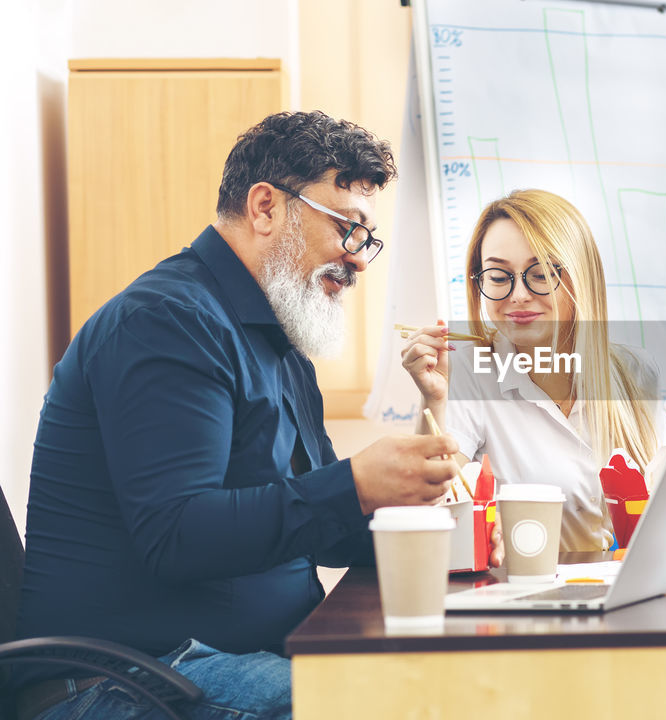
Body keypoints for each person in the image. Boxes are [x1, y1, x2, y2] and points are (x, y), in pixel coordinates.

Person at [12, 111, 481, 720]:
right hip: (125, 679)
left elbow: (328, 527)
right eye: (348, 228)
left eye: (366, 238)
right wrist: (356, 484)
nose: (360, 260)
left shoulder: (277, 346)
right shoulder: (166, 322)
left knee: (445, 687)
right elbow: (177, 536)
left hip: (216, 662)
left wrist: (450, 533)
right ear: (265, 207)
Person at [401, 189, 666, 551]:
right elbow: (423, 514)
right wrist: (434, 399)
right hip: (525, 596)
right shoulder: (466, 372)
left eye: (540, 273)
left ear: (581, 277)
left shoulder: (634, 371)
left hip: (628, 593)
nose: (519, 295)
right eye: (498, 276)